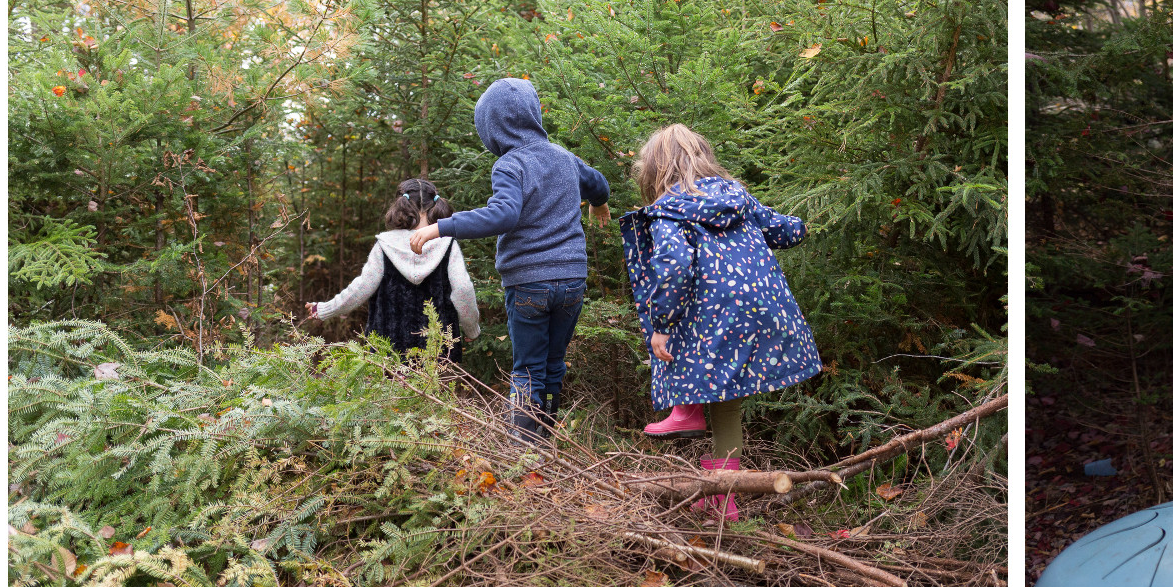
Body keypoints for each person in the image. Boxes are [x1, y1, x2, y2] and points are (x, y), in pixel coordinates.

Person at [619, 124, 818, 520]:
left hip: (715, 313)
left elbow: (673, 268)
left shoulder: (667, 212)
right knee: (727, 407)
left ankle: (698, 443)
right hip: (761, 308)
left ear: (654, 170)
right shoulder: (736, 197)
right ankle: (719, 495)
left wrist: (660, 322)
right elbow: (783, 229)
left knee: (671, 339)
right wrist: (807, 223)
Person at [411, 78, 612, 445]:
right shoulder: (564, 157)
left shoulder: (510, 164)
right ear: (533, 115)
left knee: (528, 371)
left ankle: (524, 454)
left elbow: (503, 215)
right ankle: (547, 442)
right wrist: (600, 204)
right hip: (571, 282)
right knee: (553, 365)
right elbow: (598, 183)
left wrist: (441, 227)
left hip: (529, 284)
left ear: (492, 130)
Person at [305, 178, 481, 360]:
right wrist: (471, 329)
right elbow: (463, 289)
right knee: (435, 388)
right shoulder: (447, 244)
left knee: (390, 388)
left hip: (388, 350)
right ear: (436, 206)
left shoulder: (385, 245)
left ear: (400, 206)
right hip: (438, 350)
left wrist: (325, 309)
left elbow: (361, 289)